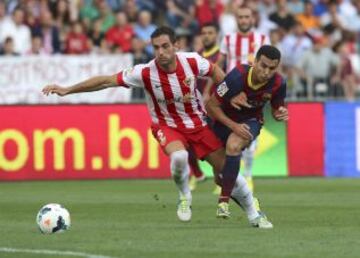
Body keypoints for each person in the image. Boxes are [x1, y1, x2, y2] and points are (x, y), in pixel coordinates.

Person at [42, 26, 271, 228]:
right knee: (179, 157)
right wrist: (67, 89)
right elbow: (106, 81)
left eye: (165, 46)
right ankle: (184, 196)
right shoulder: (145, 72)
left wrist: (230, 94)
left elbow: (216, 72)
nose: (160, 52)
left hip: (199, 125)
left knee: (227, 172)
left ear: (176, 46)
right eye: (156, 47)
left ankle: (254, 215)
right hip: (167, 125)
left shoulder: (191, 61)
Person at [206, 44, 287, 226]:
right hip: (223, 121)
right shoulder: (237, 76)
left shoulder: (279, 83)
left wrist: (279, 113)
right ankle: (251, 204)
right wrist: (232, 125)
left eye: (272, 68)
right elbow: (211, 106)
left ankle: (223, 202)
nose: (267, 72)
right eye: (263, 66)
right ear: (255, 61)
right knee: (220, 177)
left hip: (251, 121)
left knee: (233, 146)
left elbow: (276, 108)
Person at [217, 4, 271, 193]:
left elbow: (269, 67)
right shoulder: (228, 39)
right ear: (236, 19)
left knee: (248, 137)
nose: (244, 20)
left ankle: (248, 175)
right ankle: (229, 176)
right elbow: (220, 64)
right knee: (228, 137)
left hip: (253, 92)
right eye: (240, 17)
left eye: (247, 17)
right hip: (232, 93)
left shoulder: (262, 38)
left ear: (252, 18)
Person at [188, 22, 221, 191]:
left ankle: (219, 179)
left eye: (210, 32)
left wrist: (208, 92)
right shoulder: (195, 56)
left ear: (216, 35)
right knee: (187, 141)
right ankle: (196, 173)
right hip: (196, 106)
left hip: (216, 107)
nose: (206, 35)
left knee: (216, 144)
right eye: (204, 32)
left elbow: (217, 76)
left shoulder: (221, 56)